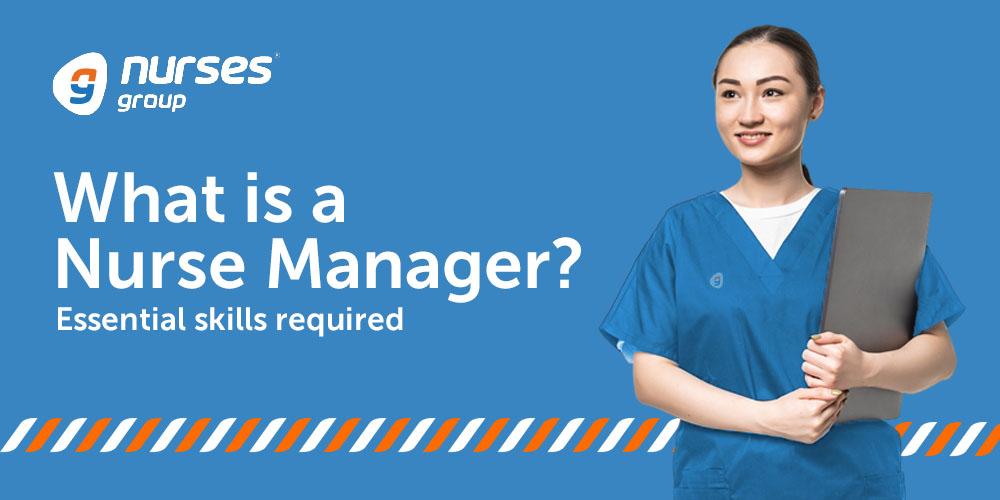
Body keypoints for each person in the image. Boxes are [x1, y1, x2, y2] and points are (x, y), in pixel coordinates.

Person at [598, 25, 965, 499]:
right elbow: (650, 377)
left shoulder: (870, 224)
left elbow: (939, 356)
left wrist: (865, 368)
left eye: (772, 91)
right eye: (730, 94)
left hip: (852, 482)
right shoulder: (682, 229)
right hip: (725, 482)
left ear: (816, 102)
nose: (749, 114)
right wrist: (768, 419)